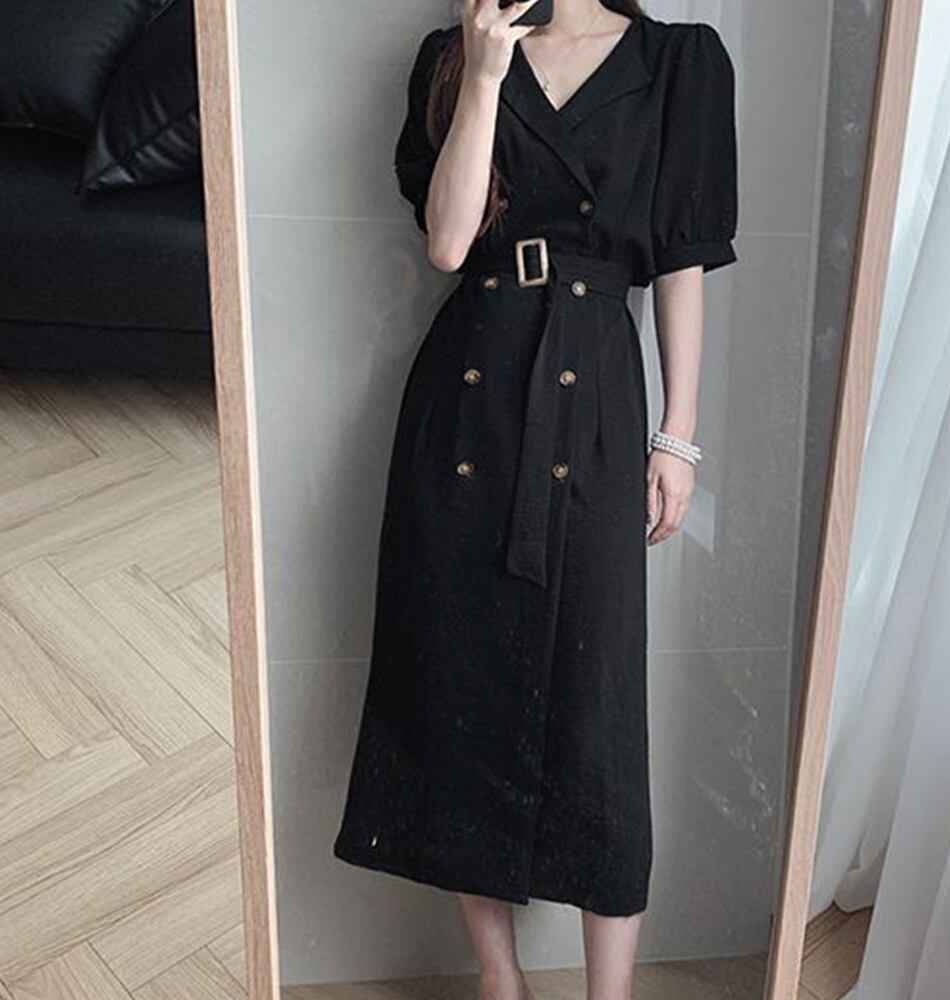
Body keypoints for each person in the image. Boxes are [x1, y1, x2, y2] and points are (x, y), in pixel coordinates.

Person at [333, 1, 738, 997]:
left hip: (595, 388)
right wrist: (482, 74)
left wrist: (677, 435)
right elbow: (447, 242)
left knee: (599, 704)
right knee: (459, 680)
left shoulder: (678, 60)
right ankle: (499, 978)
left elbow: (680, 263)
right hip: (468, 394)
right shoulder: (454, 57)